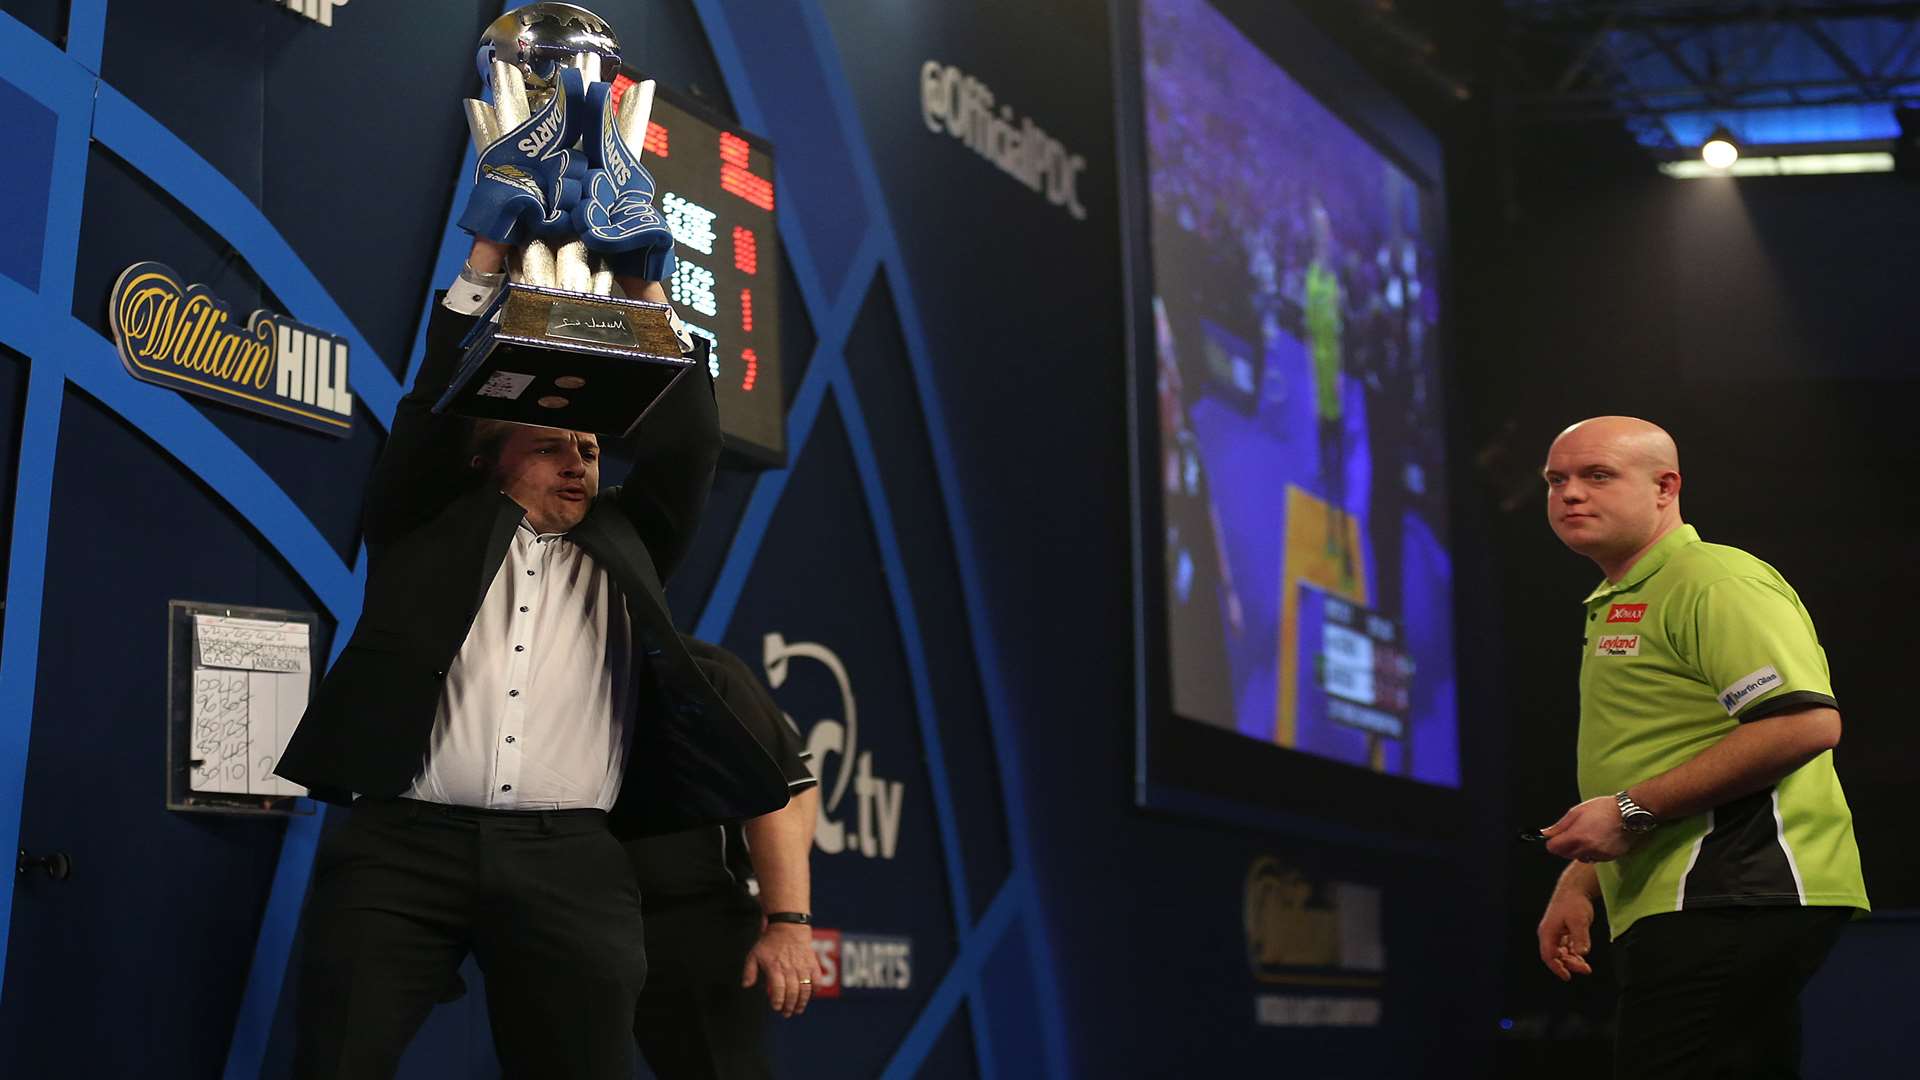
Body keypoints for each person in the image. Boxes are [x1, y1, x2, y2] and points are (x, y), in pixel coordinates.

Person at [274, 235, 791, 1079]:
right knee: (335, 1061)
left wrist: (643, 283)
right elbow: (428, 413)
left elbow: (690, 443)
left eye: (589, 450)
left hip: (571, 861)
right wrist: (482, 261)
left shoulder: (632, 544)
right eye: (552, 444)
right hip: (404, 847)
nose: (579, 463)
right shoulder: (419, 531)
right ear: (488, 459)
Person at [1532, 416, 1869, 1079]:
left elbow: (1803, 725)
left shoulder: (1712, 579)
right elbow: (1656, 747)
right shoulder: (1623, 595)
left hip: (1732, 885)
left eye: (1597, 475)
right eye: (1556, 479)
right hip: (1695, 892)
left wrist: (1628, 810)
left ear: (1666, 487)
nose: (1570, 493)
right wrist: (1582, 879)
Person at [627, 636, 823, 1079]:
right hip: (574, 916)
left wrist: (787, 921)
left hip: (695, 918)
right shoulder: (534, 670)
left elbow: (791, 789)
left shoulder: (699, 669)